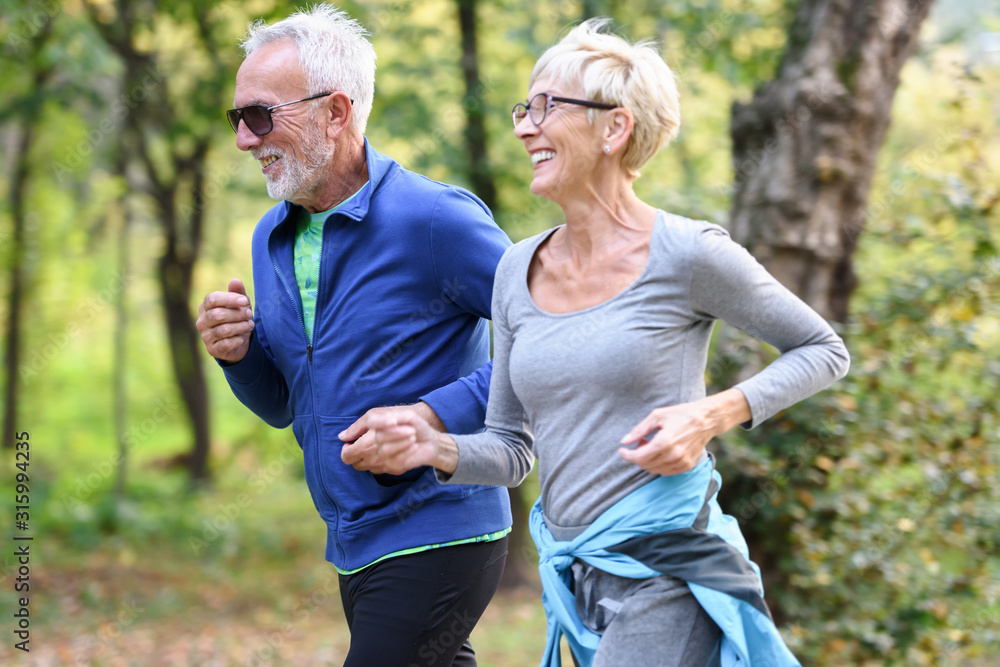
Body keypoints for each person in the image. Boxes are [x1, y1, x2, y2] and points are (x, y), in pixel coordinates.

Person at [367, 18, 851, 667]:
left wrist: (712, 413)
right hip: (576, 576)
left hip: (668, 566)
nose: (523, 127)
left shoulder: (687, 255)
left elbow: (823, 349)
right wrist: (436, 447)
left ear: (614, 128)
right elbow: (513, 450)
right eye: (523, 108)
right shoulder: (517, 268)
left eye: (545, 107)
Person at [194, 6, 513, 666]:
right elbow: (285, 403)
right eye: (237, 119)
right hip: (352, 537)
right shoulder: (271, 235)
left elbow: (544, 336)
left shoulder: (436, 220)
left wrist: (431, 415)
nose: (244, 141)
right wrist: (238, 353)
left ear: (336, 113)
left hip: (440, 526)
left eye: (260, 116)